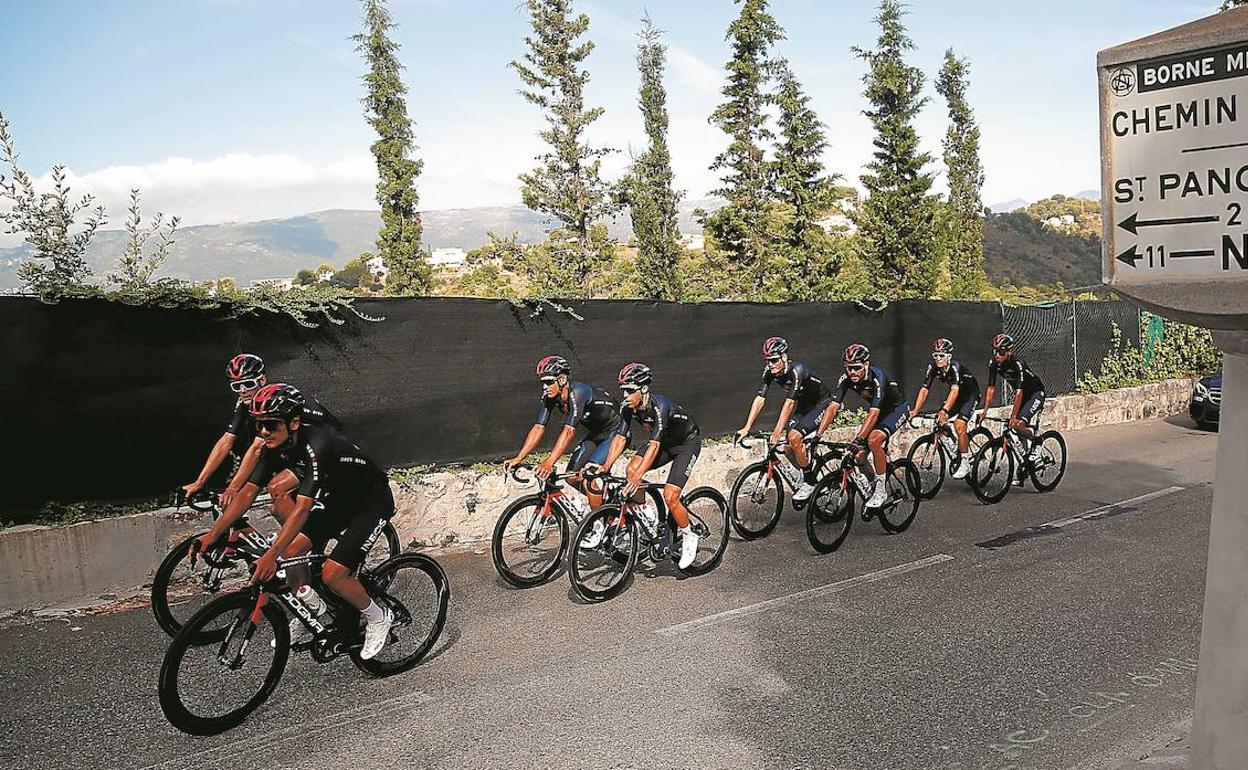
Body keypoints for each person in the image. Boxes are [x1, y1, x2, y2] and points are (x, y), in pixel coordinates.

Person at [192, 384, 396, 660]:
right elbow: (248, 493)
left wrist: (270, 555)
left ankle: (378, 616)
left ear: (294, 423)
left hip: (371, 500)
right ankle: (312, 611)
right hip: (339, 500)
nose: (263, 432)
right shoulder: (273, 444)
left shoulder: (319, 445)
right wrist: (214, 534)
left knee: (333, 574)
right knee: (292, 552)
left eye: (271, 425)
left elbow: (301, 509)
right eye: (259, 425)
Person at [182, 353, 338, 515]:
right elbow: (226, 441)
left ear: (262, 380)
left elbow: (257, 448)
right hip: (299, 448)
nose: (243, 391)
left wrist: (233, 488)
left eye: (248, 384)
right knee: (277, 508)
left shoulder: (271, 400)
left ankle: (306, 537)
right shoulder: (247, 401)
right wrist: (199, 482)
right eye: (237, 386)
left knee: (278, 488)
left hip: (326, 449)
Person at [590, 363, 702, 569]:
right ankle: (646, 514)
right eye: (623, 390)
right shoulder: (628, 408)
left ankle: (689, 535)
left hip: (686, 443)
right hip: (666, 444)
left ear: (643, 389)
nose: (625, 395)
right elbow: (620, 437)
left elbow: (655, 444)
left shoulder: (660, 407)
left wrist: (637, 477)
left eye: (630, 390)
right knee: (630, 469)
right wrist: (606, 465)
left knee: (671, 495)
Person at [504, 355, 622, 546]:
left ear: (562, 379)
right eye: (542, 383)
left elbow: (568, 431)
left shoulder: (578, 392)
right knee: (572, 476)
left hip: (616, 433)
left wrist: (549, 462)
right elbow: (538, 427)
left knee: (590, 477)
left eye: (549, 382)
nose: (544, 387)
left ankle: (598, 526)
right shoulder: (551, 396)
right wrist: (519, 457)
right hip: (597, 432)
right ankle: (604, 505)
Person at [734, 336, 832, 502]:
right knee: (787, 448)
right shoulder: (769, 372)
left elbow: (789, 403)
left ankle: (810, 481)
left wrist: (778, 431)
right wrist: (746, 427)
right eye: (767, 361)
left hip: (821, 404)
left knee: (794, 437)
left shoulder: (797, 370)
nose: (770, 364)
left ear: (784, 357)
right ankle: (807, 470)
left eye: (773, 360)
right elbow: (760, 399)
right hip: (804, 406)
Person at [815, 344, 911, 509]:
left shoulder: (877, 377)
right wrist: (818, 435)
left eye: (856, 368)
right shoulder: (846, 379)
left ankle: (881, 490)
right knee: (859, 456)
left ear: (866, 365)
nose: (852, 372)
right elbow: (833, 407)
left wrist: (858, 439)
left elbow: (873, 414)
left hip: (896, 409)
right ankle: (874, 484)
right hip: (879, 412)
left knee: (874, 440)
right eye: (848, 368)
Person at [909, 338, 981, 479]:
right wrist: (915, 410)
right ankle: (956, 446)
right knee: (939, 421)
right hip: (956, 397)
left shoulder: (955, 367)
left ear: (949, 356)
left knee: (959, 425)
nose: (938, 359)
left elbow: (954, 390)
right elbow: (924, 389)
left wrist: (945, 410)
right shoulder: (933, 367)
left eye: (941, 355)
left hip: (970, 396)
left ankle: (965, 462)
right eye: (935, 355)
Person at [980, 333, 1047, 478]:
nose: (997, 355)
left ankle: (1037, 440)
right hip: (1022, 395)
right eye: (995, 351)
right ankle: (1027, 463)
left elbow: (1018, 392)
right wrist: (985, 410)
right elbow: (991, 388)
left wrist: (1013, 416)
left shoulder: (1017, 363)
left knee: (1017, 424)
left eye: (1001, 352)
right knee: (1017, 430)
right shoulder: (994, 364)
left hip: (1035, 393)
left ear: (1010, 351)